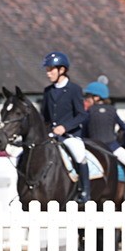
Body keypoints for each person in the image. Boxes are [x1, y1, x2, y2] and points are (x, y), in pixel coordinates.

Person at [41, 51, 92, 205]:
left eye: (51, 70)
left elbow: (82, 115)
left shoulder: (74, 89)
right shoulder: (48, 91)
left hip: (70, 135)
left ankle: (85, 191)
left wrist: (65, 127)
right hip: (52, 134)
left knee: (79, 154)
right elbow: (44, 117)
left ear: (61, 70)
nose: (48, 73)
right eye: (47, 70)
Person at [83, 81, 125, 195]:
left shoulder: (89, 111)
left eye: (88, 97)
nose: (86, 99)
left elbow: (84, 132)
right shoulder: (112, 110)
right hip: (112, 146)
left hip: (92, 147)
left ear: (96, 97)